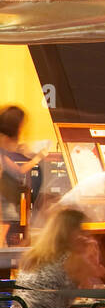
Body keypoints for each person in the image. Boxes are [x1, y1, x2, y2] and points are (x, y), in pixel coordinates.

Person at [0, 106, 47, 247]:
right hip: (5, 198)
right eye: (21, 127)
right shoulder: (3, 151)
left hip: (8, 198)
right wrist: (38, 158)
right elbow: (19, 170)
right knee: (4, 227)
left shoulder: (4, 150)